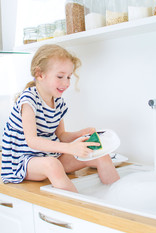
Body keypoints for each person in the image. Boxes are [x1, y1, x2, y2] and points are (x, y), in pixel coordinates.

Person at [1, 44, 120, 192]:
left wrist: (80, 134)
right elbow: (32, 141)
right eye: (60, 76)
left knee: (100, 154)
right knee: (53, 165)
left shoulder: (58, 102)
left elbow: (61, 136)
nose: (66, 83)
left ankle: (117, 199)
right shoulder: (28, 100)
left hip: (49, 157)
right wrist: (70, 148)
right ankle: (79, 209)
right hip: (22, 162)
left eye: (69, 77)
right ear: (40, 74)